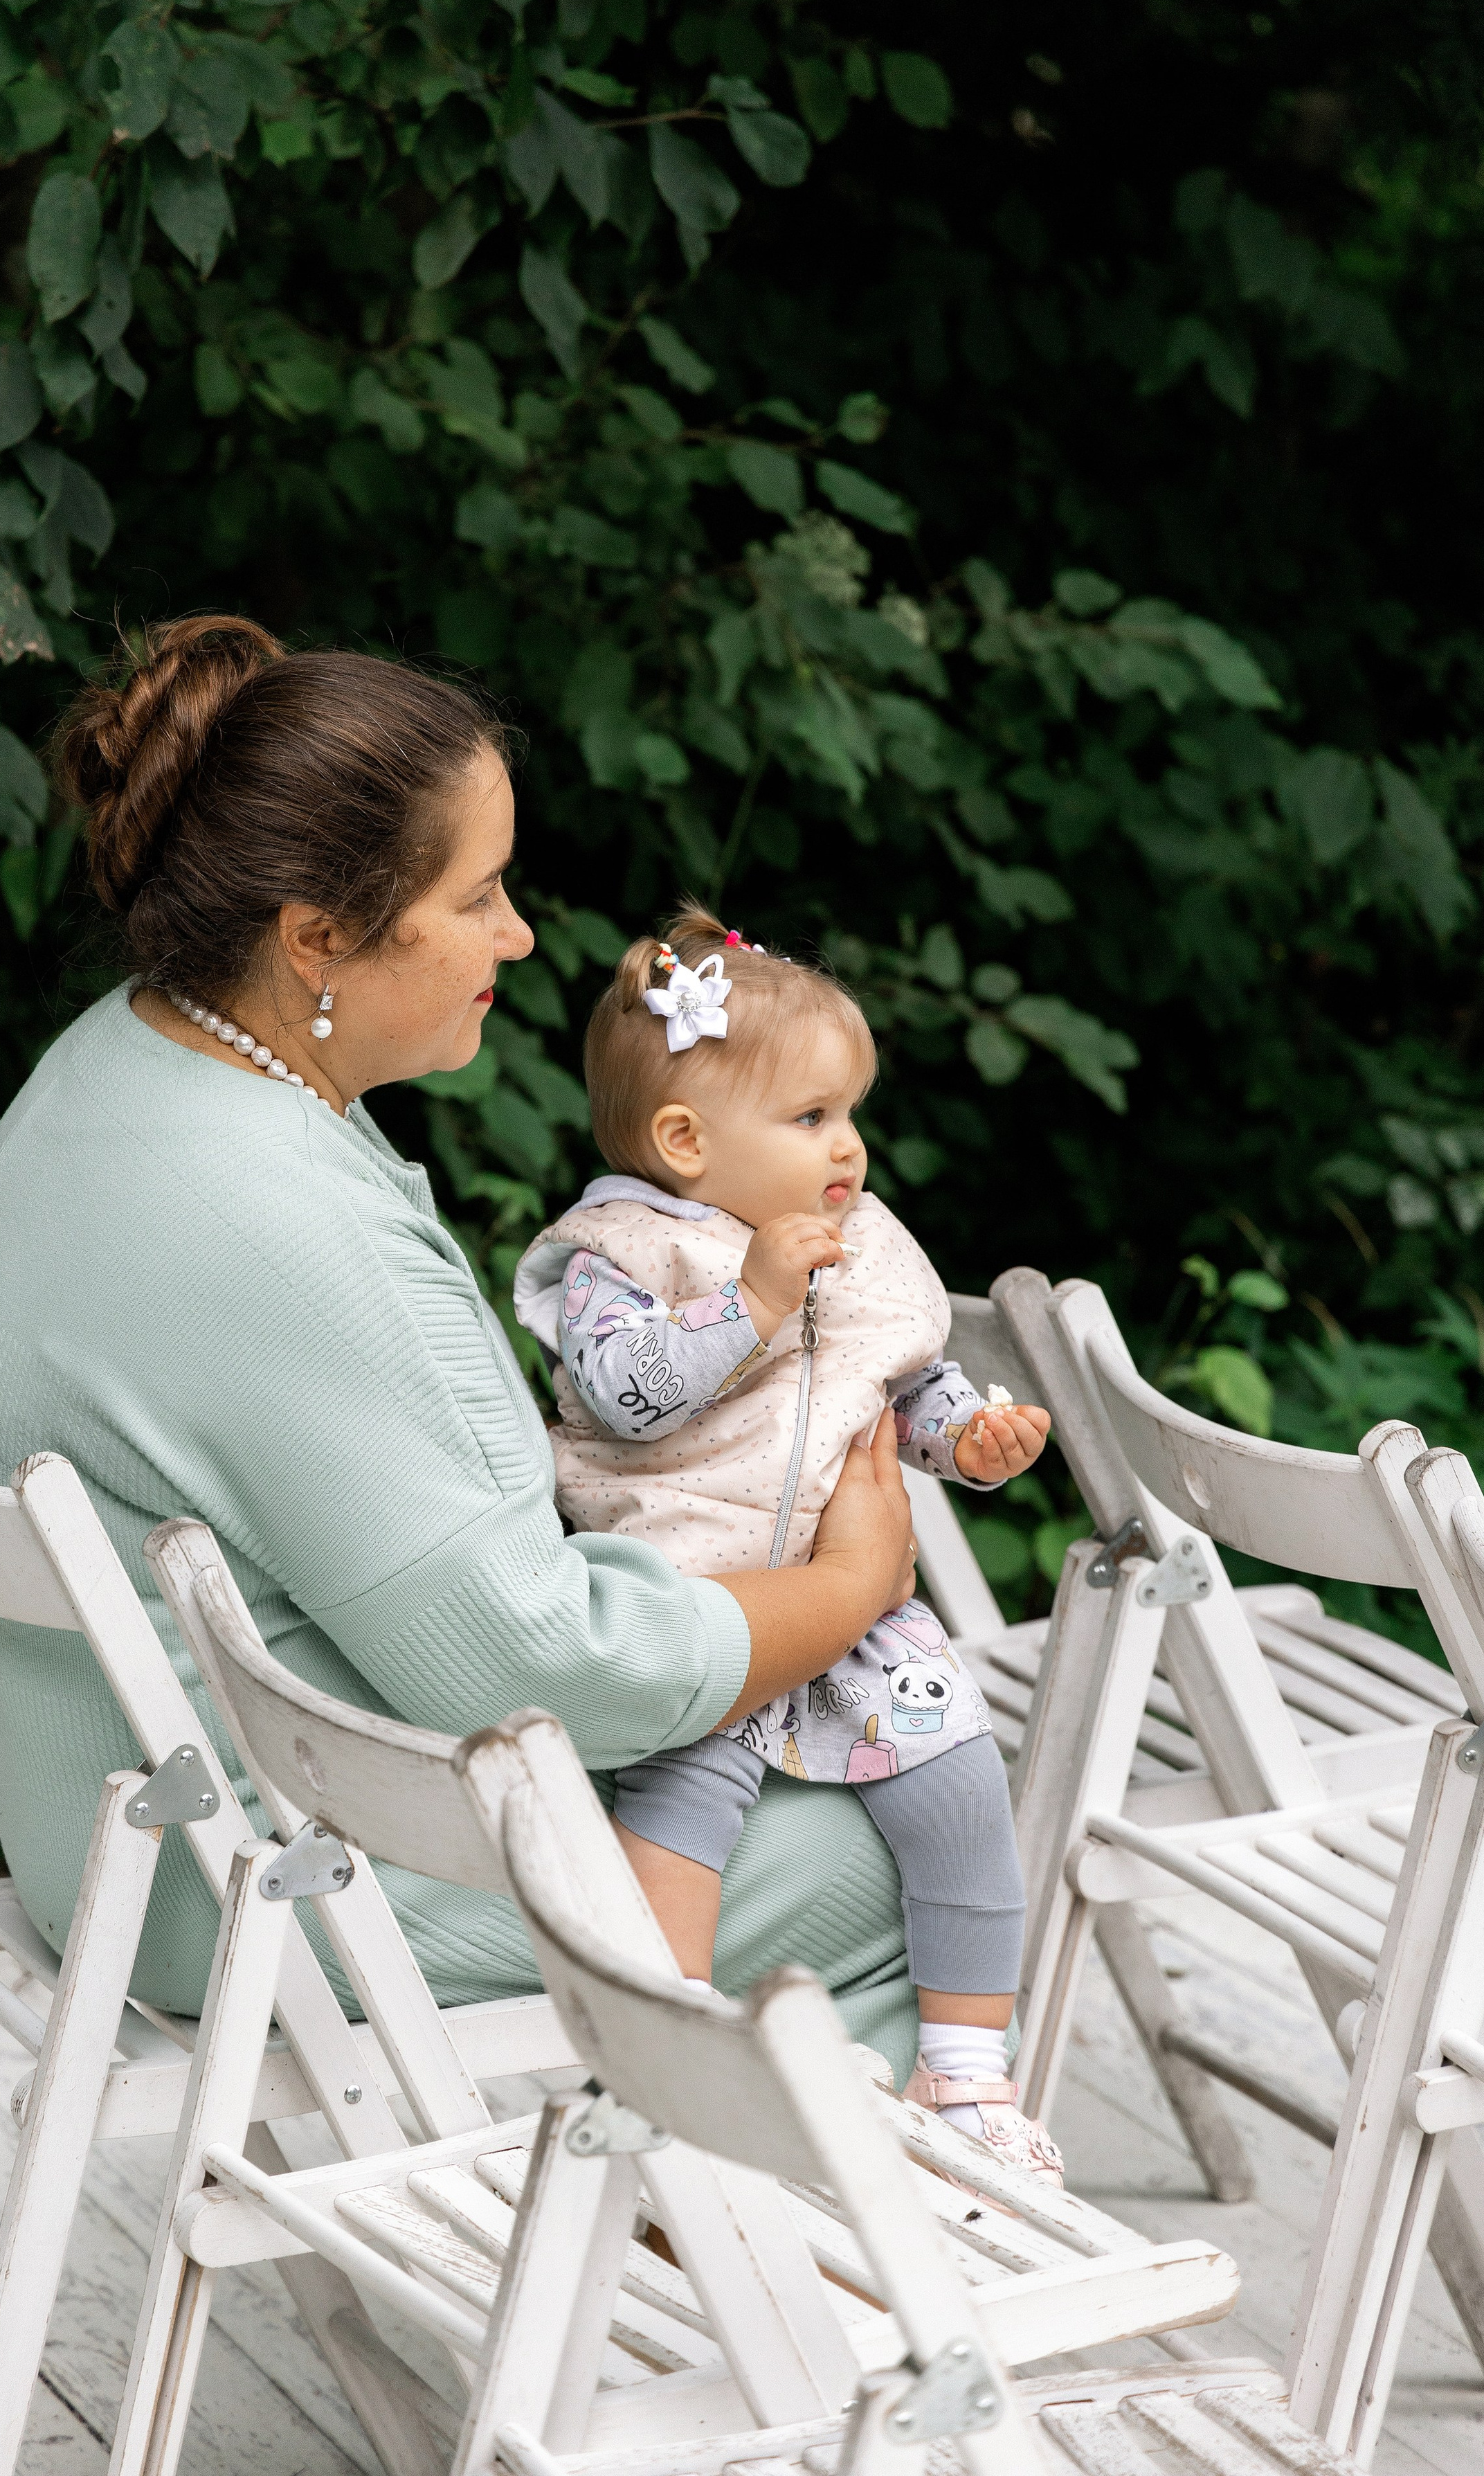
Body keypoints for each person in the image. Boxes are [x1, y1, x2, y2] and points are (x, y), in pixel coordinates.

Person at [0, 615, 928, 2079]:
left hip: (119, 1823)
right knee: (892, 1843)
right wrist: (844, 1588)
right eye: (478, 897)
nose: (519, 938)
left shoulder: (117, 1064)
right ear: (316, 937)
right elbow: (525, 1663)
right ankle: (751, 2276)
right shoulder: (270, 1224)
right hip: (261, 1883)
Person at [514, 911, 1062, 2178]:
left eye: (852, 1114)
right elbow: (621, 1393)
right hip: (698, 1598)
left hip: (855, 1615)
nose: (850, 1147)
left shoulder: (856, 1249)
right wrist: (752, 1299)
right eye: (812, 1117)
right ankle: (667, 2057)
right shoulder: (619, 1257)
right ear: (685, 1141)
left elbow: (892, 1381)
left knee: (966, 1788)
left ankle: (969, 2077)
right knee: (682, 1809)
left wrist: (964, 1434)